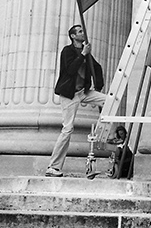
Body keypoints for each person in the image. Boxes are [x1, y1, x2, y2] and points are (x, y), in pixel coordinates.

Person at [45, 24, 107, 177]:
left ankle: (104, 133)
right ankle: (53, 167)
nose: (82, 33)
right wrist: (83, 55)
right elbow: (70, 70)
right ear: (73, 36)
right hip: (69, 95)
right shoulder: (68, 51)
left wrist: (97, 86)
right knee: (67, 129)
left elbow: (97, 68)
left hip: (83, 92)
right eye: (79, 31)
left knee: (109, 101)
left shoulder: (85, 52)